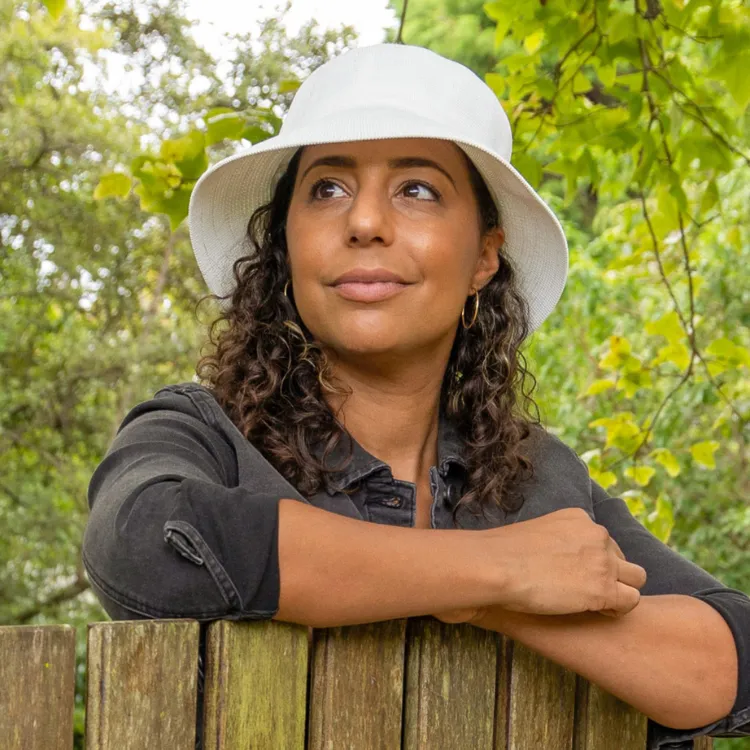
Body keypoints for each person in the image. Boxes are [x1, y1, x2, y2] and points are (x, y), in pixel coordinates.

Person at [82, 44, 750, 748]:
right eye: (328, 189)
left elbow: (729, 657)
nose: (364, 222)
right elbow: (143, 540)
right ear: (287, 244)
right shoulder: (202, 435)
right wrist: (500, 572)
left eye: (418, 190)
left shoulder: (539, 480)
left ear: (484, 257)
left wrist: (491, 604)